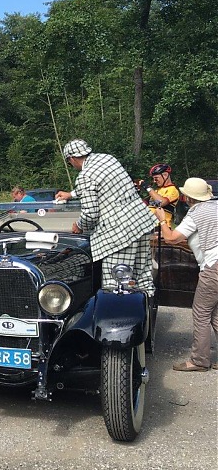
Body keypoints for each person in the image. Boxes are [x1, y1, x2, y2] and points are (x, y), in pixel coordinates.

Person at [55, 139, 157, 292]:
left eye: (69, 163)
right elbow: (103, 183)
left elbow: (90, 214)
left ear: (72, 159)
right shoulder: (108, 159)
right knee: (142, 277)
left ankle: (121, 314)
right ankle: (146, 312)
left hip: (119, 235)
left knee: (116, 285)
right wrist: (71, 194)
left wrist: (79, 225)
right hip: (140, 223)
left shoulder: (85, 176)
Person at [153, 178, 218, 372]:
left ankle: (199, 360)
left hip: (214, 266)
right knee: (215, 315)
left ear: (188, 197)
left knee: (201, 313)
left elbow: (171, 238)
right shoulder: (215, 207)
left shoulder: (196, 213)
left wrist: (162, 220)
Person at [142, 163, 180, 228]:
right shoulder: (157, 191)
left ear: (165, 175)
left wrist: (148, 188)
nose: (154, 181)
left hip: (162, 227)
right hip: (149, 226)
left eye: (156, 178)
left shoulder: (173, 190)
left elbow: (161, 202)